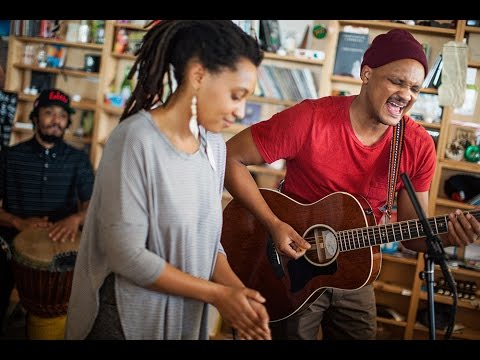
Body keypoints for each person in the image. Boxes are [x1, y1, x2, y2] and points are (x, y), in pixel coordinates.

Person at [224, 28, 480, 340]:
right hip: (288, 265)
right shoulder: (311, 119)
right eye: (397, 81)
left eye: (415, 87)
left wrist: (451, 236)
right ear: (366, 73)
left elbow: (413, 235)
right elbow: (230, 158)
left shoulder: (418, 145)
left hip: (357, 272)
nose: (407, 94)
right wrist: (273, 223)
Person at [65, 20, 271, 340]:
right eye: (236, 95)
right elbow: (126, 255)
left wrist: (240, 296)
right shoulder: (136, 140)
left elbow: (207, 243)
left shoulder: (214, 147)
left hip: (185, 318)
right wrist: (218, 296)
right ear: (198, 75)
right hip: (127, 319)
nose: (240, 111)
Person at [0, 88, 94, 334]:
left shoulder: (78, 159)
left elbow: (93, 204)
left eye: (62, 115)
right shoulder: (10, 157)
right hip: (9, 242)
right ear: (34, 118)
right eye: (49, 112)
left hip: (61, 244)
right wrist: (17, 223)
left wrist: (76, 218)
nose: (56, 119)